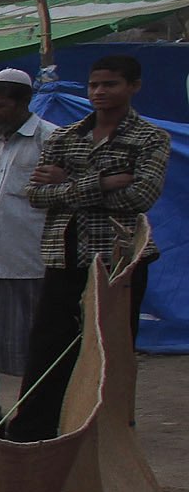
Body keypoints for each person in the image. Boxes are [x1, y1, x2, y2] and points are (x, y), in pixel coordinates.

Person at [10, 51, 170, 438]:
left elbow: (138, 198)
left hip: (118, 261)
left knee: (110, 351)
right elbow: (35, 194)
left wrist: (67, 183)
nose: (100, 92)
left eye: (110, 84)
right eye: (94, 84)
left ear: (133, 87)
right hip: (63, 253)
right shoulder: (67, 136)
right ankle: (33, 430)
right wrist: (100, 182)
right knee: (48, 346)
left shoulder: (149, 139)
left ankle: (105, 430)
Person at [0, 70, 56, 404]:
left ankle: (31, 410)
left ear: (23, 102)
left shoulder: (50, 139)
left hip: (29, 259)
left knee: (30, 344)